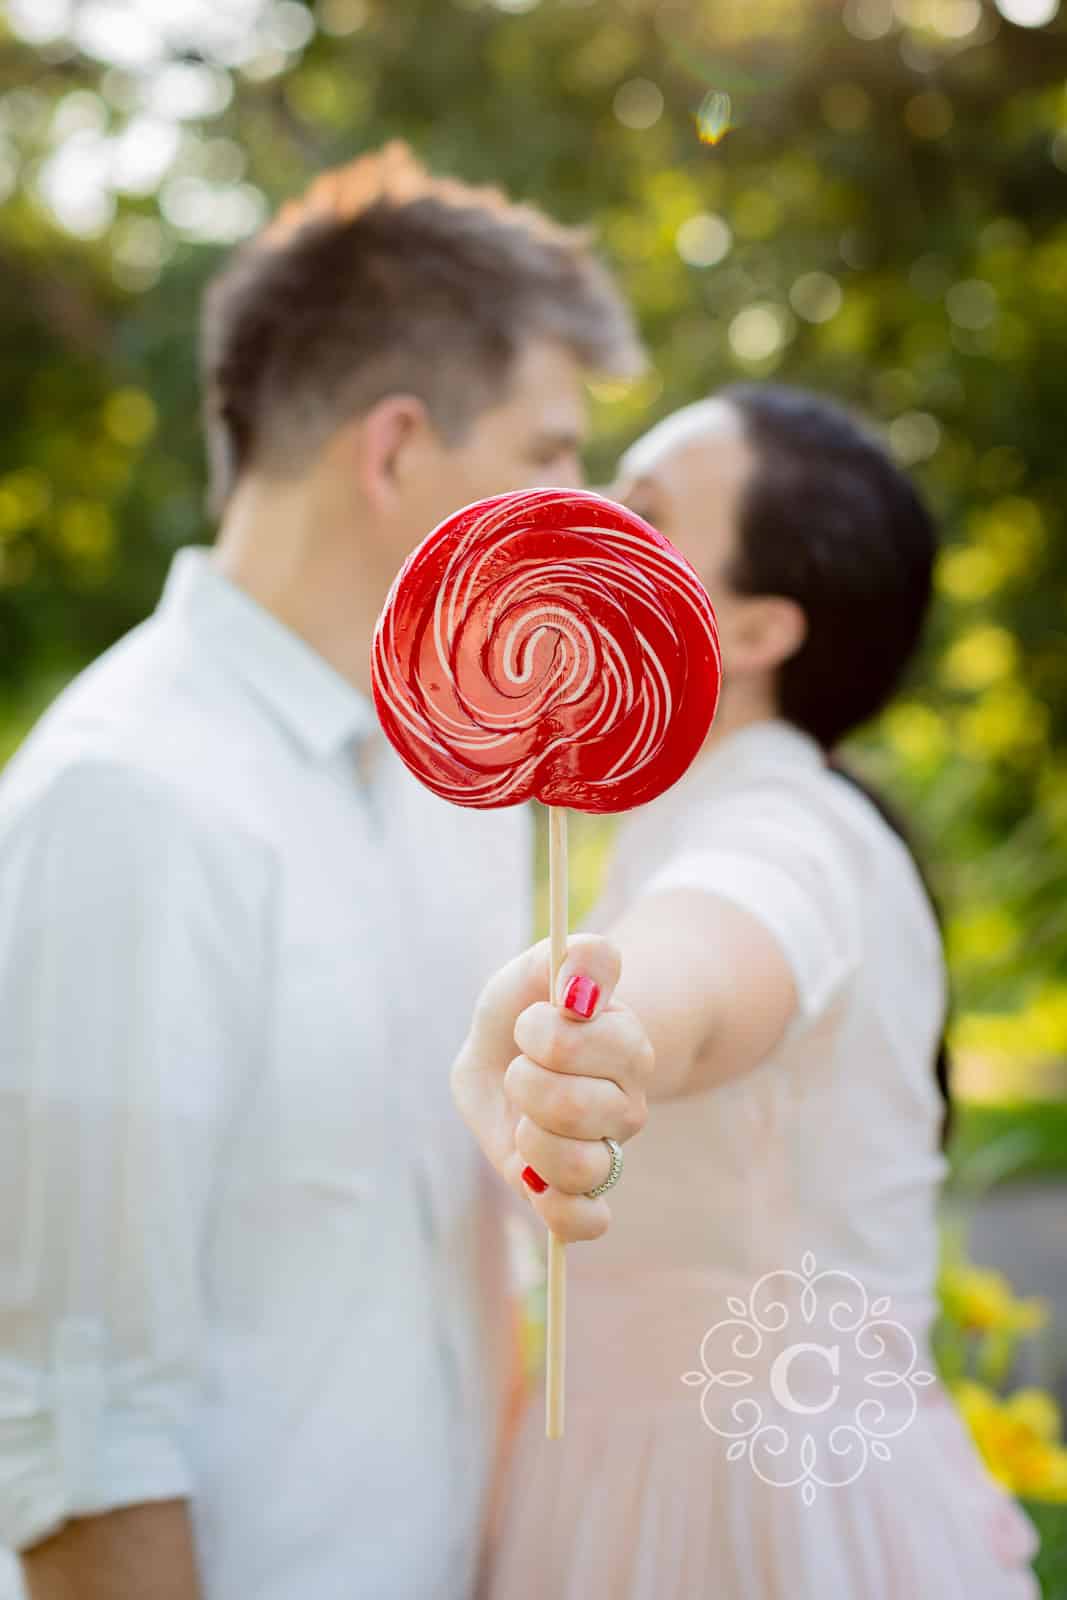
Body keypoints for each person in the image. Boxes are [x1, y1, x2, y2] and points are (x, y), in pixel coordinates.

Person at [0, 143, 655, 1600]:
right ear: (395, 449)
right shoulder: (125, 800)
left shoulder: (468, 792)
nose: (581, 504)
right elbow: (81, 1428)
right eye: (547, 453)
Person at [475, 386, 1041, 1599]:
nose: (588, 520)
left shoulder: (793, 829)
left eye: (645, 511)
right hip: (616, 1482)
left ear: (754, 630)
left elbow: (712, 953)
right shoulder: (658, 829)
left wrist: (618, 1030)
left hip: (758, 1510)